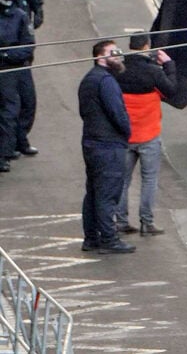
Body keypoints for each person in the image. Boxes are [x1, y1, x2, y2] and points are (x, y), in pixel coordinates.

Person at [115, 32, 177, 237]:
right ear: (146, 46)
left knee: (123, 180)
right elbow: (171, 91)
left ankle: (121, 221)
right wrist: (168, 65)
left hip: (125, 135)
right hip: (148, 134)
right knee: (149, 179)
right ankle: (147, 222)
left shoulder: (118, 70)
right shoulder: (153, 72)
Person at [78, 40, 134, 254]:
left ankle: (91, 238)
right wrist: (126, 131)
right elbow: (117, 113)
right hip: (108, 145)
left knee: (93, 191)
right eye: (113, 53)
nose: (119, 56)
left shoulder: (88, 79)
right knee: (107, 194)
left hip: (91, 142)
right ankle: (109, 239)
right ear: (101, 58)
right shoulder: (106, 81)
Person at [0, 0, 36, 171]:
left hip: (14, 68)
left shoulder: (20, 16)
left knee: (19, 107)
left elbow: (28, 45)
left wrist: (7, 54)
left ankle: (10, 147)